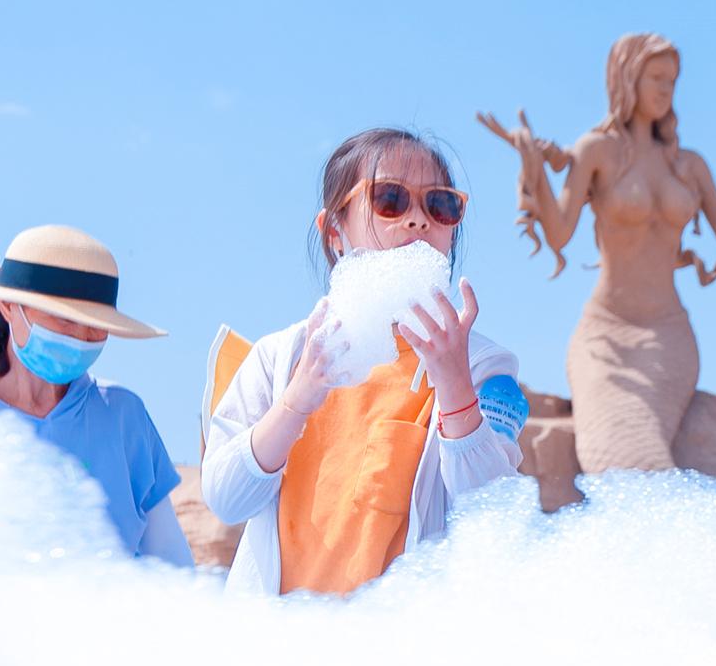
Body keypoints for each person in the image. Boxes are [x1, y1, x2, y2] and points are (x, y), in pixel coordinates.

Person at [476, 33, 716, 475]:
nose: (666, 89)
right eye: (656, 77)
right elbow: (558, 235)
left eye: (672, 80)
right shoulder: (596, 151)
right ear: (627, 78)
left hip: (668, 338)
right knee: (618, 460)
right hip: (605, 336)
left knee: (639, 460)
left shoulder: (689, 166)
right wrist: (533, 167)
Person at [201, 128, 525, 597]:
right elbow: (226, 500)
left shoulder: (484, 366)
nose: (417, 220)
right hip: (271, 637)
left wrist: (455, 388)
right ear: (335, 231)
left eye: (440, 204)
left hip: (394, 639)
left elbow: (494, 517)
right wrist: (295, 402)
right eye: (390, 199)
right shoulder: (277, 358)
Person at [0, 224, 192, 567]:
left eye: (96, 325)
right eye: (65, 319)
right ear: (9, 306)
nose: (82, 337)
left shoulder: (124, 417)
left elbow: (172, 562)